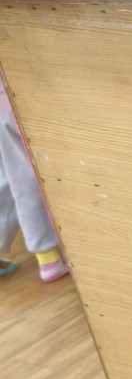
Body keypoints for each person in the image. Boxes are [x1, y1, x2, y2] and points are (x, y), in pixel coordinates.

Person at [0, 78, 69, 282]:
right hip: (23, 95)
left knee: (22, 180)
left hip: (4, 106)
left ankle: (47, 259)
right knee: (47, 175)